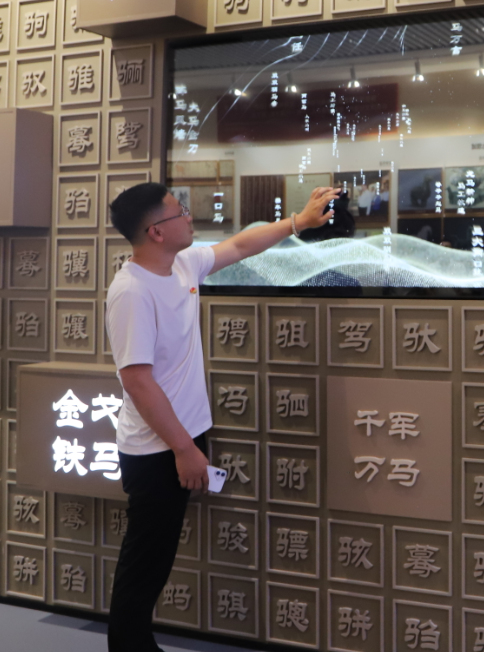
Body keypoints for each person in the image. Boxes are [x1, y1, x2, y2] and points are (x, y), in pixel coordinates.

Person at [104, 181, 339, 652]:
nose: (189, 216)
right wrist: (184, 450)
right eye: (179, 212)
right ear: (156, 231)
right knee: (144, 565)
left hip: (179, 440)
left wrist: (298, 222)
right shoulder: (132, 291)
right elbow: (137, 382)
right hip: (157, 450)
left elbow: (240, 246)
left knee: (155, 560)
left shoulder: (181, 264)